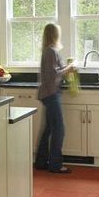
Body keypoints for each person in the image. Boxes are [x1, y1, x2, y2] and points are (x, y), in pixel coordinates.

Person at [35, 23, 76, 173]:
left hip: (47, 93)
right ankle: (55, 165)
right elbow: (54, 75)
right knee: (59, 129)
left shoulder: (47, 51)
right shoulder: (51, 52)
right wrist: (69, 68)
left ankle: (40, 161)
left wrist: (64, 68)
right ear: (54, 35)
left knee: (48, 129)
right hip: (51, 94)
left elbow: (52, 72)